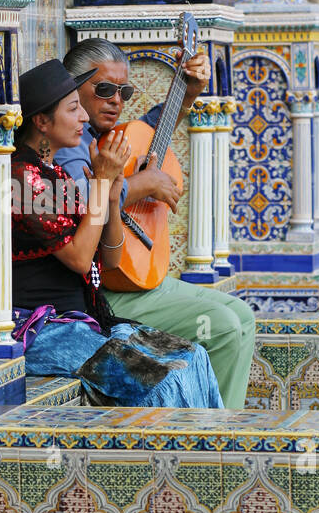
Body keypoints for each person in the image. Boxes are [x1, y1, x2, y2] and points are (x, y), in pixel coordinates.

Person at [53, 38, 256, 408]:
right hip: (100, 291)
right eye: (104, 89)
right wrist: (140, 185)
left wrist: (188, 93)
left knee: (241, 315)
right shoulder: (67, 143)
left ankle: (223, 428)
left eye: (124, 91)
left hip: (135, 276)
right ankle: (206, 439)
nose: (116, 100)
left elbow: (148, 130)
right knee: (223, 328)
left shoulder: (102, 135)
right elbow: (77, 202)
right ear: (71, 86)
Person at [10, 58, 222, 408]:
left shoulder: (54, 173)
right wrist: (103, 183)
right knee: (162, 381)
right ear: (42, 121)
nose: (83, 118)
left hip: (83, 320)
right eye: (74, 108)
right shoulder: (24, 178)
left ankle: (209, 457)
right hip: (44, 331)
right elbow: (79, 259)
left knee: (193, 356)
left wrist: (111, 194)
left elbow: (107, 257)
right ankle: (169, 461)